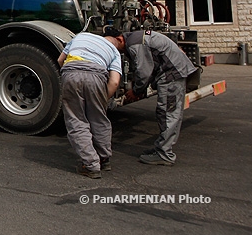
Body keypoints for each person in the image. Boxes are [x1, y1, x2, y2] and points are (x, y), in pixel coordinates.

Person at [57, 28, 125, 178]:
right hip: (97, 76)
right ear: (118, 40)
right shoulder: (114, 52)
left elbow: (60, 60)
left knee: (77, 120)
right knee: (98, 119)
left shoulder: (80, 37)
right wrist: (102, 99)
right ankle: (103, 159)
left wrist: (71, 77)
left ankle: (90, 165)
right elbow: (114, 82)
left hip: (72, 73)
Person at [124, 30, 198, 166]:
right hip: (174, 72)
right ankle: (161, 147)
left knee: (168, 113)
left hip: (171, 75)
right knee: (167, 112)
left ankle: (165, 154)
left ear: (120, 39)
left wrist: (136, 91)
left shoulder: (134, 43)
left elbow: (144, 71)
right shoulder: (138, 36)